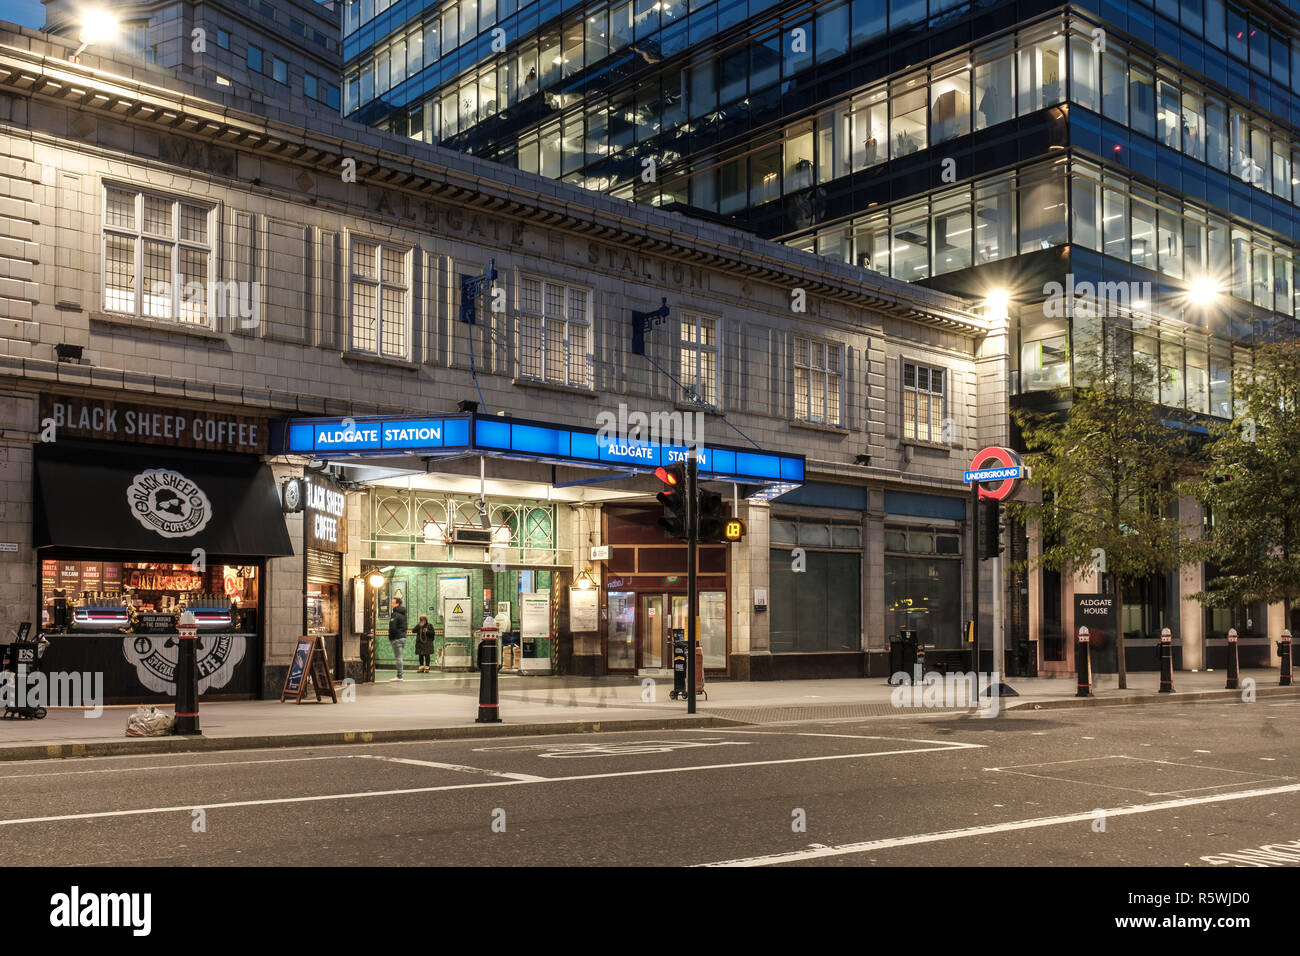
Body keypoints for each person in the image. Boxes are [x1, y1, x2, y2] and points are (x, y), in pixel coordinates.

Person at [388, 596, 408, 680]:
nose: (391, 604)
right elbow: (405, 626)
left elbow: (393, 627)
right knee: (400, 657)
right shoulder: (403, 615)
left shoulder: (395, 614)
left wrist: (391, 637)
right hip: (403, 637)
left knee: (398, 657)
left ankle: (399, 676)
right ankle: (400, 675)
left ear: (397, 604)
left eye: (393, 602)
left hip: (397, 638)